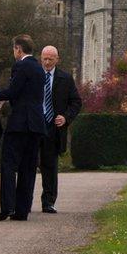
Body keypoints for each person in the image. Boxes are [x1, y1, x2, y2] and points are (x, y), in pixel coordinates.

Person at [0, 34, 46, 221]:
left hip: (19, 124)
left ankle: (7, 207)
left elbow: (13, 90)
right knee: (28, 167)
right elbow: (26, 94)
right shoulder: (40, 69)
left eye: (14, 49)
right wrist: (6, 98)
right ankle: (22, 210)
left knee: (9, 164)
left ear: (18, 49)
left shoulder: (20, 66)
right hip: (36, 124)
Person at [37, 45, 83, 214]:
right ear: (40, 58)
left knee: (49, 166)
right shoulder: (34, 76)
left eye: (50, 59)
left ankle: (48, 202)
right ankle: (23, 202)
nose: (47, 62)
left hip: (53, 127)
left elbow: (76, 102)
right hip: (35, 125)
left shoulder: (65, 78)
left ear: (57, 59)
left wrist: (65, 117)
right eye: (44, 59)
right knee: (28, 164)